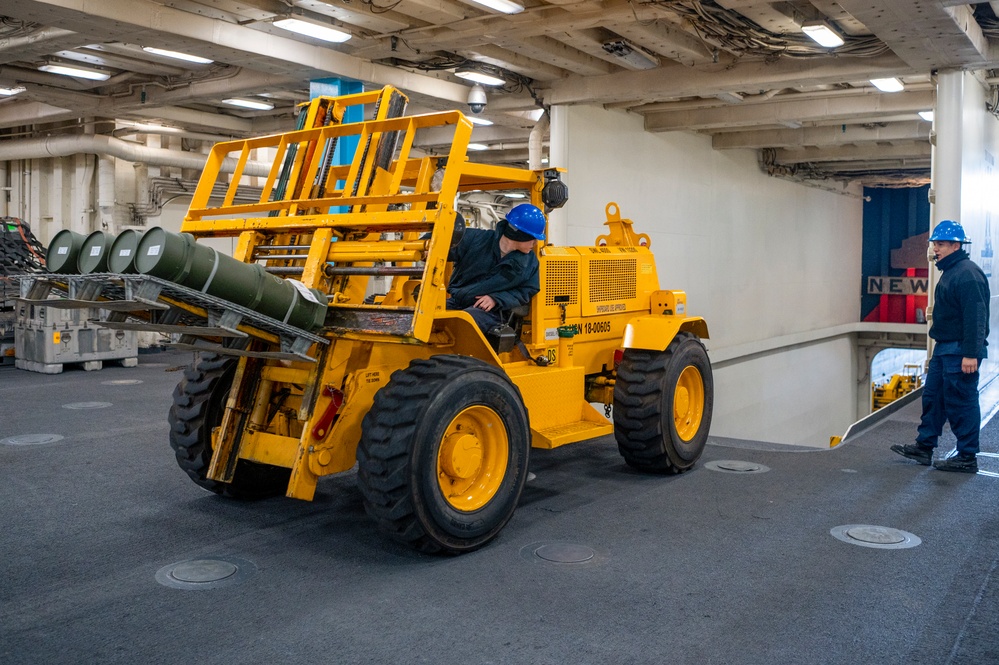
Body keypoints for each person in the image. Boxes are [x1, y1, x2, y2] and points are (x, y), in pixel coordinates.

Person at [891, 220, 990, 473]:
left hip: (959, 351)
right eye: (935, 244)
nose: (936, 249)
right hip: (944, 349)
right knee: (934, 398)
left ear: (956, 245)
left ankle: (967, 457)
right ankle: (924, 446)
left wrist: (971, 354)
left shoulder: (967, 274)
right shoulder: (951, 271)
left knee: (961, 402)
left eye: (941, 245)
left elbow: (976, 317)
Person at [446, 203, 545, 333]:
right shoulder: (477, 239)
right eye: (533, 238)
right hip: (457, 302)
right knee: (424, 314)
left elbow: (527, 290)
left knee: (464, 321)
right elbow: (445, 240)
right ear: (520, 235)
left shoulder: (530, 263)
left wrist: (496, 298)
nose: (535, 243)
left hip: (494, 313)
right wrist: (427, 246)